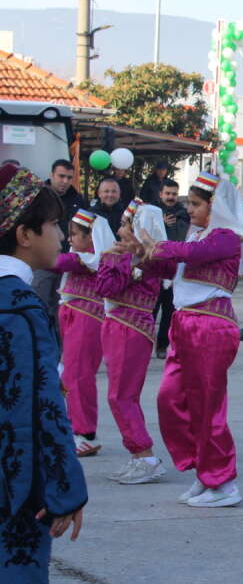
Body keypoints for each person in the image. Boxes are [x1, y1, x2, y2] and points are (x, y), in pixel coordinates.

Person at [0, 162, 89, 584]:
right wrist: (63, 489)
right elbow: (39, 408)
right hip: (14, 484)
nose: (61, 236)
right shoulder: (22, 306)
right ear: (24, 234)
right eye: (54, 227)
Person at [135, 172, 243, 508]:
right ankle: (206, 472)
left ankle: (224, 483)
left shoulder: (227, 237)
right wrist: (142, 254)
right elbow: (172, 270)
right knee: (170, 400)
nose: (188, 210)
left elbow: (191, 255)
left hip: (211, 325)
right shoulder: (199, 236)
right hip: (185, 324)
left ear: (214, 205)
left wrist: (160, 247)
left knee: (208, 407)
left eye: (194, 203)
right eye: (188, 203)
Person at [98, 200, 169, 485]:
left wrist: (109, 259)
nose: (120, 230)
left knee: (120, 395)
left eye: (126, 224)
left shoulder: (144, 259)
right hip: (126, 327)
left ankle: (146, 456)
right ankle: (139, 456)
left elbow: (106, 287)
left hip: (129, 329)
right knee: (125, 395)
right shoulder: (144, 259)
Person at [52, 209, 112, 458]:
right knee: (71, 374)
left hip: (86, 321)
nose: (70, 240)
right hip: (74, 317)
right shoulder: (83, 257)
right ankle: (77, 428)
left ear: (91, 238)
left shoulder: (90, 259)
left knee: (78, 375)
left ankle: (84, 433)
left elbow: (57, 262)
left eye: (75, 235)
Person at [31, 159, 86, 322]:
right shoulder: (38, 196)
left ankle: (58, 345)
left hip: (67, 262)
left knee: (61, 310)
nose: (65, 181)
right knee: (38, 305)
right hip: (43, 261)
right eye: (61, 176)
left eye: (69, 177)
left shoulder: (78, 200)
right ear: (51, 175)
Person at [152, 178, 189, 359]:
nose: (171, 197)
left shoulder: (183, 213)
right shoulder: (152, 212)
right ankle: (143, 342)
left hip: (174, 270)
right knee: (150, 309)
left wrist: (173, 225)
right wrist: (161, 223)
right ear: (160, 194)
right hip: (154, 268)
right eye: (167, 193)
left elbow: (181, 236)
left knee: (169, 311)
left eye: (174, 194)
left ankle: (162, 345)